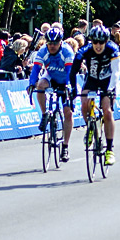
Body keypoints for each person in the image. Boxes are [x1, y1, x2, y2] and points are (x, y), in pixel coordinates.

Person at [71, 25, 120, 165]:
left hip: (108, 82)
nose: (98, 45)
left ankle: (110, 150)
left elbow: (116, 72)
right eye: (95, 42)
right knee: (84, 104)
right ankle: (90, 127)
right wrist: (74, 90)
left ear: (106, 41)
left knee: (107, 111)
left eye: (101, 42)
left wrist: (110, 90)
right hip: (92, 80)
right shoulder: (85, 50)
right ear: (91, 41)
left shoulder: (113, 50)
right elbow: (73, 71)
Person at [29, 26, 76, 162]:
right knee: (40, 85)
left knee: (68, 112)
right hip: (51, 77)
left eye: (55, 43)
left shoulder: (67, 52)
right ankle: (44, 115)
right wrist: (32, 84)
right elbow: (36, 70)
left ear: (61, 42)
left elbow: (69, 73)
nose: (52, 46)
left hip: (65, 80)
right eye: (49, 43)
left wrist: (68, 87)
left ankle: (65, 146)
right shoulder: (43, 51)